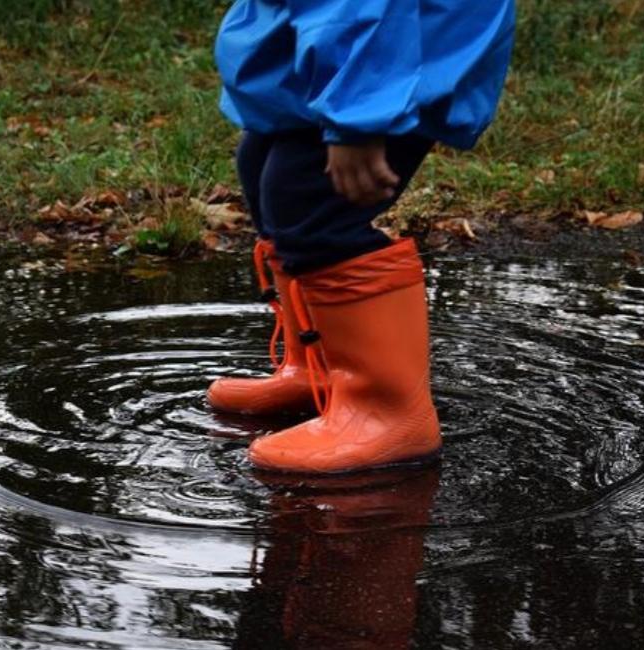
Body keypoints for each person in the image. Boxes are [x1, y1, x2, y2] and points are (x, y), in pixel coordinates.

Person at [208, 0, 516, 474]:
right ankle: (319, 372)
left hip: (391, 58)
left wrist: (359, 117)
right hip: (337, 48)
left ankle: (388, 414)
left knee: (310, 203)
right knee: (263, 166)